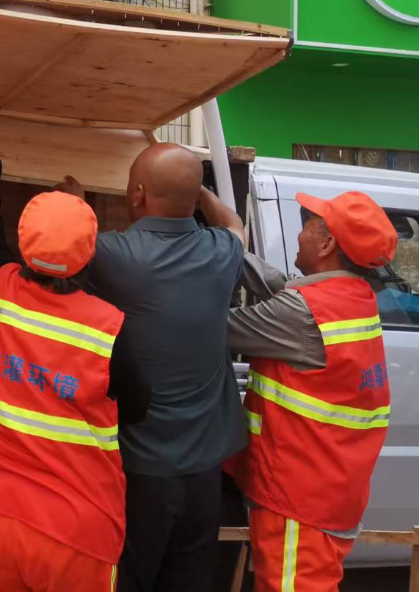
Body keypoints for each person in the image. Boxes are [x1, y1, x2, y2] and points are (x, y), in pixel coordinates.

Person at [0, 155, 150, 592]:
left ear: (24, 246)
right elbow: (139, 405)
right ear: (89, 252)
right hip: (75, 528)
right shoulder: (109, 327)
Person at [65, 143, 247, 592]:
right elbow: (234, 223)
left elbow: (65, 244)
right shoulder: (222, 254)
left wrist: (74, 200)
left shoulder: (116, 255)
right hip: (204, 478)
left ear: (138, 194)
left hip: (139, 476)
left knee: (128, 579)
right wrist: (197, 192)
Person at [225, 191, 396, 592]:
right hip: (328, 490)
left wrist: (223, 243)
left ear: (326, 243)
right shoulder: (353, 298)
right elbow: (284, 289)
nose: (299, 234)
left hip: (297, 498)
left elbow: (210, 325)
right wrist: (227, 243)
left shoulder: (304, 314)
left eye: (308, 226)